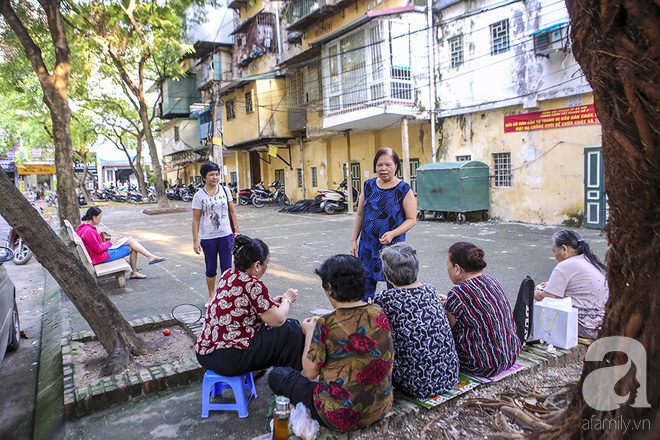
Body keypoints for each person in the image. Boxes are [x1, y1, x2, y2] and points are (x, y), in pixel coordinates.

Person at [268, 255, 394, 432]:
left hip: (338, 417)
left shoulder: (325, 324)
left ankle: (298, 418)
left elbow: (310, 372)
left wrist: (310, 331)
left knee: (278, 375)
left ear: (329, 288)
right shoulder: (378, 312)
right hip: (379, 408)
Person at [195, 235, 305, 378]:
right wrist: (287, 299)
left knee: (278, 331)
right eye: (267, 262)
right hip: (229, 359)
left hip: (206, 354)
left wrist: (270, 302)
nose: (267, 266)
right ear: (257, 265)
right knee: (292, 329)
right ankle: (287, 380)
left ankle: (256, 371)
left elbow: (241, 307)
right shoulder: (253, 284)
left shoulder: (229, 274)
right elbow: (277, 320)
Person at [374, 243, 459, 397]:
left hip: (415, 384)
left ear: (386, 276)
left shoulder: (384, 299)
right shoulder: (430, 290)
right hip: (449, 375)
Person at [443, 242, 521, 377]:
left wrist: (438, 306)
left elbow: (446, 327)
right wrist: (448, 302)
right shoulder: (492, 281)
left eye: (448, 265)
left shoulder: (459, 292)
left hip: (481, 365)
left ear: (457, 268)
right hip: (511, 356)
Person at [350, 148, 417, 300]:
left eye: (388, 164)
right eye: (379, 165)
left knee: (395, 287)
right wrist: (354, 240)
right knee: (364, 287)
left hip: (393, 247)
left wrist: (393, 233)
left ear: (396, 166)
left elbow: (412, 219)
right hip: (367, 246)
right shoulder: (368, 186)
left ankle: (394, 318)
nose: (383, 168)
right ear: (375, 167)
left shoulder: (403, 189)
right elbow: (360, 214)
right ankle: (366, 317)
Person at [534, 230, 609, 339]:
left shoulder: (565, 265)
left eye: (554, 251)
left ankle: (536, 340)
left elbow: (548, 297)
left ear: (564, 249)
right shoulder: (589, 260)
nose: (555, 256)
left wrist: (532, 290)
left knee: (534, 301)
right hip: (601, 324)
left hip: (586, 327)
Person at [192, 161, 239, 306]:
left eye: (217, 174)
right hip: (208, 237)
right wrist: (195, 241)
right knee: (210, 267)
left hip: (226, 235)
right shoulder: (199, 196)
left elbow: (232, 211)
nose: (215, 177)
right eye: (211, 174)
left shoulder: (225, 191)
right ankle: (212, 295)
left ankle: (225, 294)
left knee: (227, 267)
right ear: (204, 177)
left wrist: (236, 231)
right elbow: (195, 220)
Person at [76, 206, 166, 280]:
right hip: (100, 257)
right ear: (93, 217)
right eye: (99, 217)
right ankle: (140, 266)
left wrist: (111, 243)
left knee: (130, 241)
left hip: (99, 254)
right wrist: (110, 242)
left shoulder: (82, 228)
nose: (100, 220)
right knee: (132, 246)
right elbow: (98, 249)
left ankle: (146, 261)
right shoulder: (89, 231)